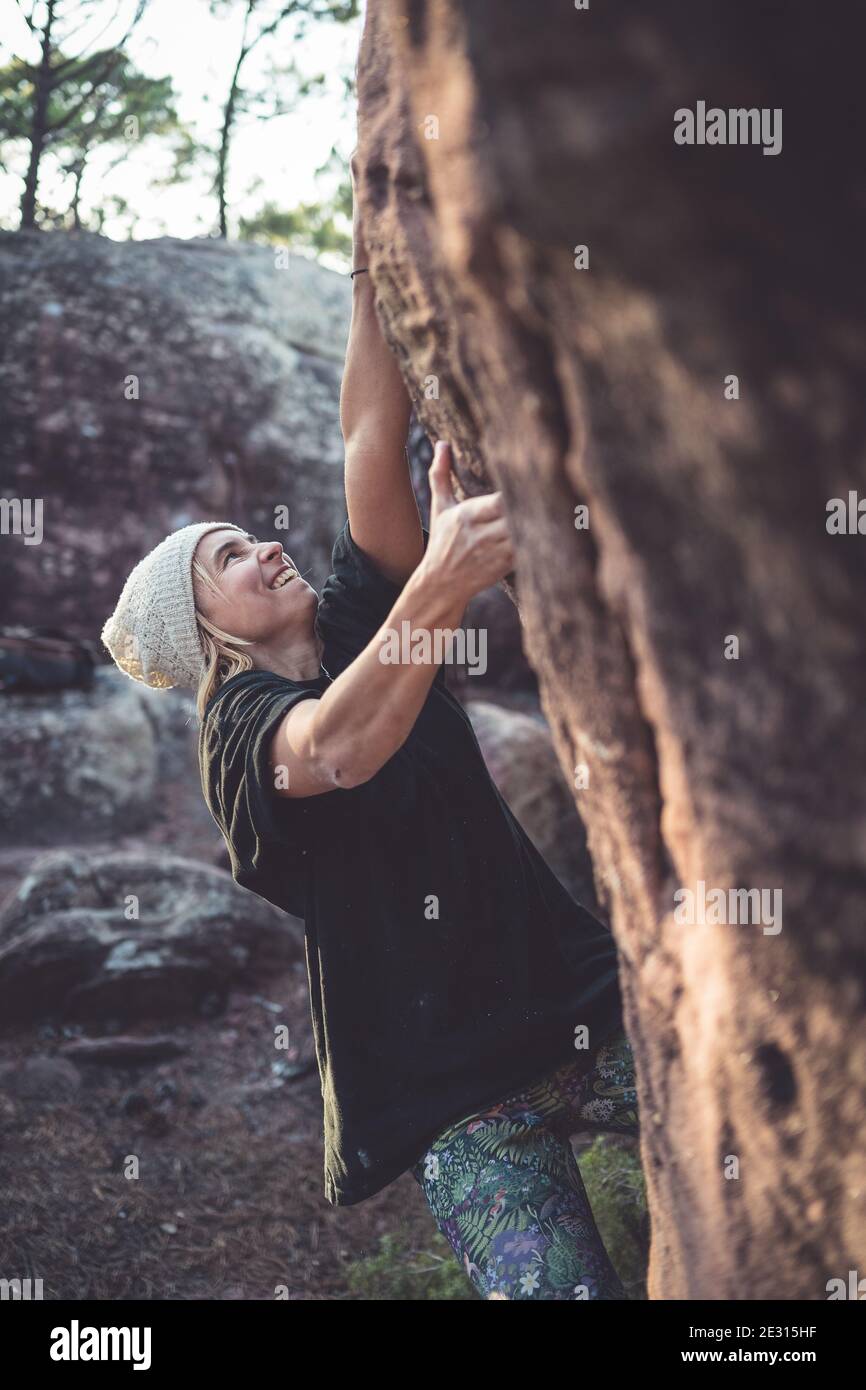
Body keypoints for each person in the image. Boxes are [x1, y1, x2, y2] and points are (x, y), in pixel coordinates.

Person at [99, 161, 639, 1302]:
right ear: (208, 637)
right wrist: (438, 586)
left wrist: (368, 254)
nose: (258, 548)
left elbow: (363, 434)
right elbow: (336, 749)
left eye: (248, 534)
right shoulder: (238, 738)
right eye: (226, 561)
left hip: (578, 999)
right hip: (453, 1097)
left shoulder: (354, 615)